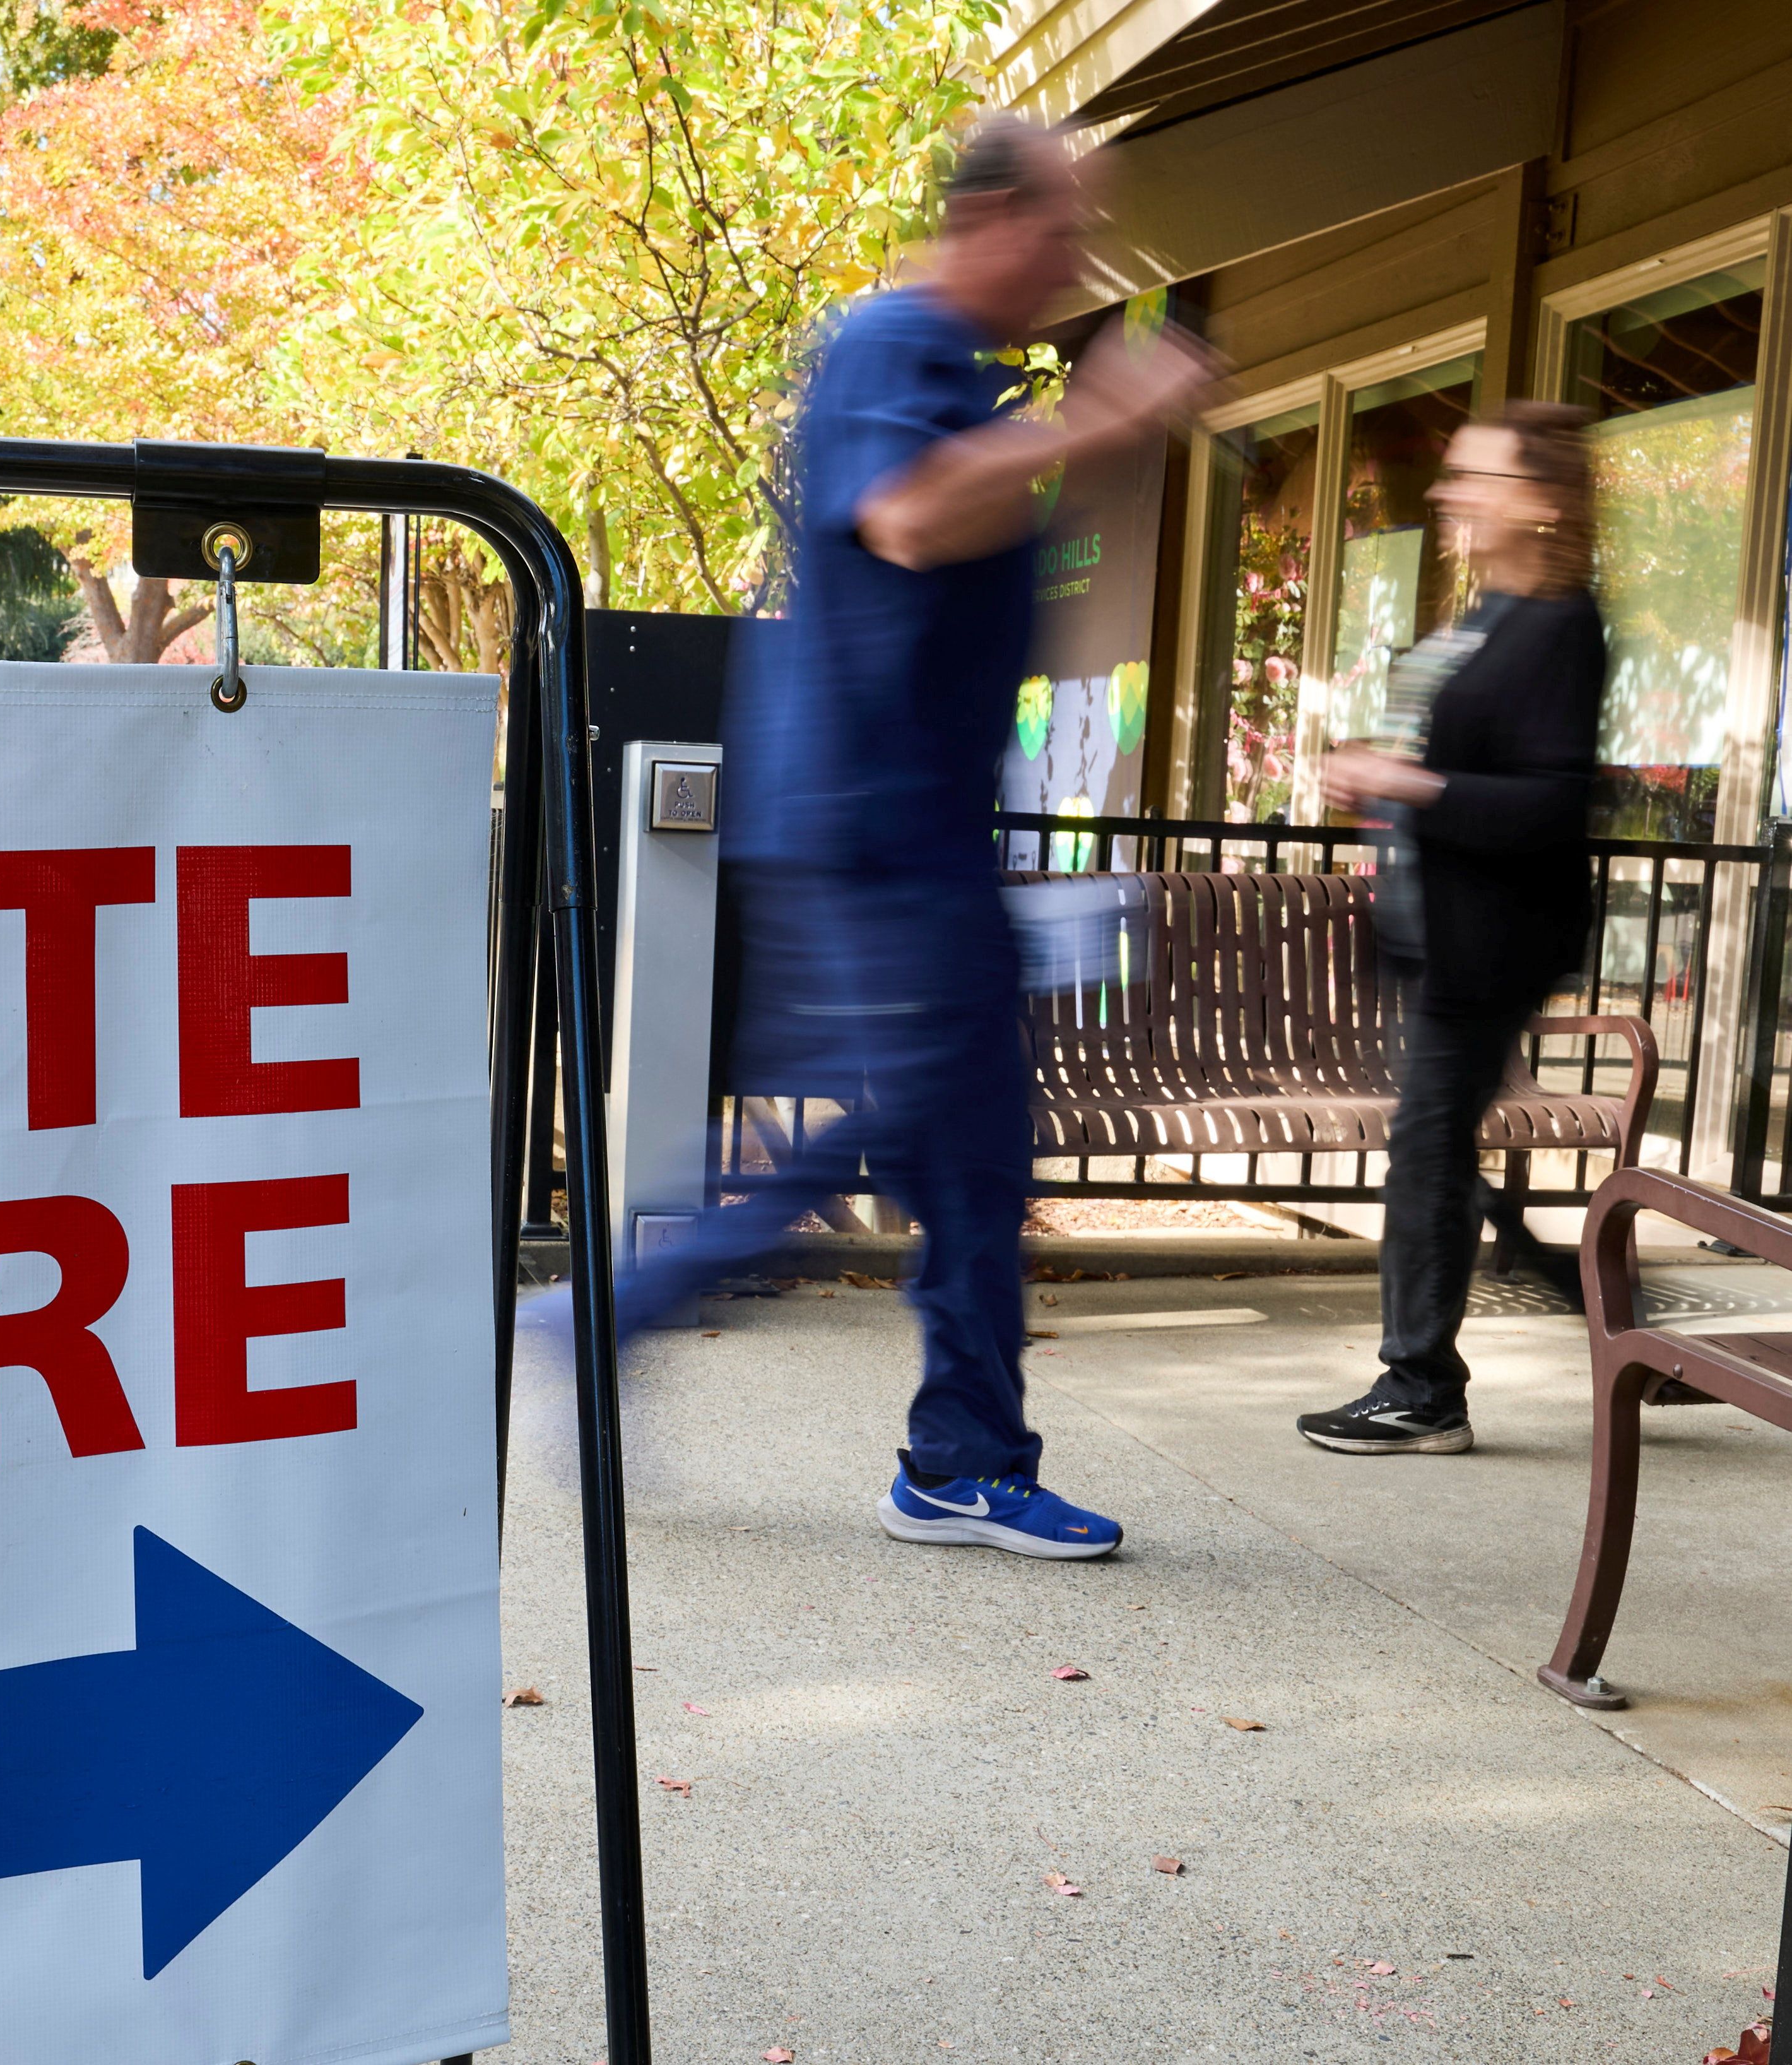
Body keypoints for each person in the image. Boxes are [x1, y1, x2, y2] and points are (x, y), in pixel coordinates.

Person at [548, 117, 1214, 1559]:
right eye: (1061, 231)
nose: (1074, 263)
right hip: (875, 827)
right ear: (988, 217)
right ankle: (648, 1331)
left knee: (954, 1138)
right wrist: (1098, 422)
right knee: (944, 1132)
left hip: (910, 825)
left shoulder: (959, 375)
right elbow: (909, 521)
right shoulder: (891, 350)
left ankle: (947, 1453)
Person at [1296, 404, 1607, 1456]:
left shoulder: (1561, 626)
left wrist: (1406, 781)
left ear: (1546, 503)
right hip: (1437, 933)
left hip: (1496, 939)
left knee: (1429, 1142)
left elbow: (1552, 803)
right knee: (1438, 1145)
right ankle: (1577, 1286)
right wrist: (1384, 786)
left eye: (1477, 476)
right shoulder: (1483, 614)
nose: (1448, 493)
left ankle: (1422, 1386)